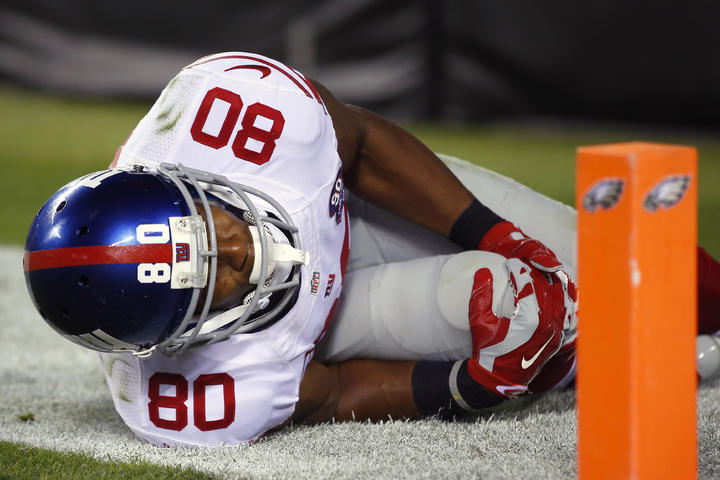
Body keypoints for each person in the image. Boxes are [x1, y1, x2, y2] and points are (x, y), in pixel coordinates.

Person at [23, 52, 719, 447]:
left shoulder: (222, 115)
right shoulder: (193, 395)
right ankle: (612, 356)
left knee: (612, 260)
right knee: (513, 312)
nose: (238, 252)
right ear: (179, 336)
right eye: (212, 281)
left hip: (362, 204)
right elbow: (331, 395)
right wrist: (464, 388)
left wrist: (494, 232)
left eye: (210, 226)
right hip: (333, 325)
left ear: (179, 180)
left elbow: (363, 143)